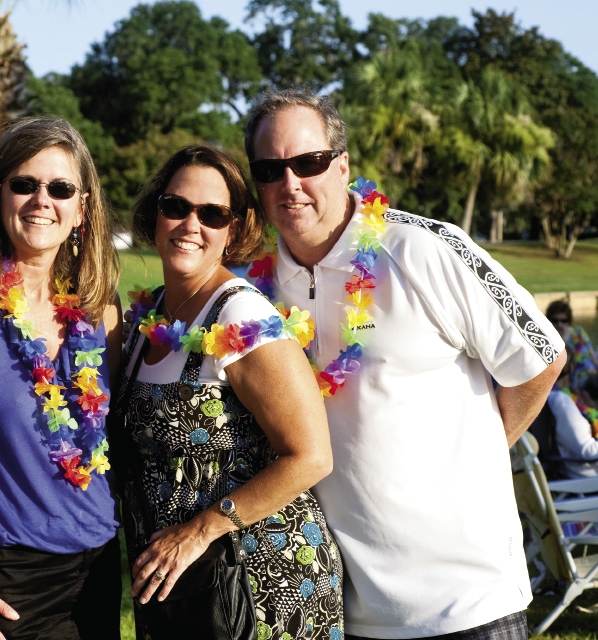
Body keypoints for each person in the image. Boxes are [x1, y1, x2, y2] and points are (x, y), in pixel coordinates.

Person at [242, 86, 566, 640]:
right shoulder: (257, 289)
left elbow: (541, 357)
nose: (290, 184)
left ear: (342, 167)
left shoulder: (423, 249)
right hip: (346, 607)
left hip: (468, 602)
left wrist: (478, 456)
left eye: (309, 162)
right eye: (270, 169)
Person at [119, 145, 343, 640]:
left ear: (235, 229)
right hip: (180, 588)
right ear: (155, 211)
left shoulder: (242, 316)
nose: (189, 224)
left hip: (261, 588)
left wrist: (202, 530)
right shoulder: (147, 319)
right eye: (175, 206)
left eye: (212, 214)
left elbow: (311, 457)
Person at [0, 116, 124, 640]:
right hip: (4, 573)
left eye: (60, 188)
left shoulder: (101, 311)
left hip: (98, 561)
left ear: (82, 209)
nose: (41, 200)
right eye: (24, 184)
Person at [546, 355, 598, 478]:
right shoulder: (561, 401)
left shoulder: (560, 398)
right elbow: (588, 450)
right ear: (571, 368)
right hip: (589, 473)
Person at [546, 300, 598, 396]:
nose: (560, 324)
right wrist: (564, 340)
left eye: (564, 321)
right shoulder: (548, 340)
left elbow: (592, 354)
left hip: (591, 372)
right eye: (555, 321)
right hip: (576, 379)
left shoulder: (578, 332)